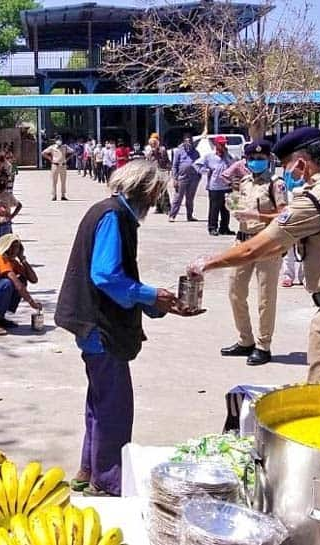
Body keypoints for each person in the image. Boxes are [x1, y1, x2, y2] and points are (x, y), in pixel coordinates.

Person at [187, 127, 320, 383]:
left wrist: (207, 263)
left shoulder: (313, 199)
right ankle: (247, 340)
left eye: (287, 165)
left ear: (302, 163)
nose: (287, 171)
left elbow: (255, 248)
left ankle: (262, 344)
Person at [55, 160, 196, 497]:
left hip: (96, 327)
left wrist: (154, 305)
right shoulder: (113, 216)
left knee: (101, 402)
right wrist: (151, 295)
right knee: (114, 408)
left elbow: (116, 280)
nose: (157, 199)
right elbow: (105, 276)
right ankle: (106, 481)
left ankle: (89, 470)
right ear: (146, 190)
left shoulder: (111, 214)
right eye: (157, 192)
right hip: (99, 328)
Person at [219, 140, 286, 366]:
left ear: (269, 160)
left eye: (261, 159)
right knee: (235, 291)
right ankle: (245, 340)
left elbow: (283, 215)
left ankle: (263, 345)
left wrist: (257, 217)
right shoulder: (245, 182)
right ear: (246, 161)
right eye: (253, 159)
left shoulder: (275, 184)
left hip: (266, 244)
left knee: (266, 298)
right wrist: (234, 206)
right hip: (242, 240)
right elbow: (238, 205)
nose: (257, 162)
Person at [198, 135, 236, 236]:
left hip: (227, 186)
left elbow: (234, 165)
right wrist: (206, 171)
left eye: (224, 143)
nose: (224, 145)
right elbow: (197, 165)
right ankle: (212, 227)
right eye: (221, 143)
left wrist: (227, 155)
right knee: (214, 208)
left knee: (226, 208)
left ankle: (224, 228)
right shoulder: (209, 156)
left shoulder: (229, 155)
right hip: (214, 186)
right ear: (216, 144)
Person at [168, 134, 201, 222]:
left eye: (190, 140)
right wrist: (174, 178)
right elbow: (174, 166)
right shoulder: (179, 152)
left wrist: (199, 175)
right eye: (187, 140)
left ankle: (189, 216)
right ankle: (172, 215)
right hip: (182, 177)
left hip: (193, 178)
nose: (189, 142)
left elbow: (200, 164)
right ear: (184, 141)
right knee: (178, 197)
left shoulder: (196, 152)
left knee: (190, 198)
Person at [42, 137, 70, 201]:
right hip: (55, 165)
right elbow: (43, 153)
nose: (59, 141)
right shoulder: (52, 147)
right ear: (55, 141)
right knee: (54, 181)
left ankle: (63, 195)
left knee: (63, 181)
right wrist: (50, 158)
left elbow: (72, 152)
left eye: (60, 140)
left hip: (63, 165)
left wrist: (67, 159)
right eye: (58, 140)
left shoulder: (65, 147)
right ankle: (54, 195)